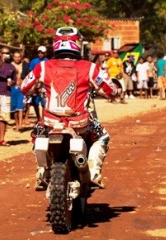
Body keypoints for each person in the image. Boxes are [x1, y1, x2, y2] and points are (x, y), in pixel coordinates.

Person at [21, 27, 120, 190]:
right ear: (77, 43)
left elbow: (25, 87)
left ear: (56, 44)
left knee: (36, 133)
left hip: (50, 122)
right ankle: (94, 172)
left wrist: (38, 87)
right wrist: (116, 91)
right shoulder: (90, 68)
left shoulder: (43, 67)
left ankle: (41, 171)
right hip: (80, 123)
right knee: (102, 136)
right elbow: (110, 90)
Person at [26, 46, 48, 122]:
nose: (40, 54)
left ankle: (43, 119)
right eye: (39, 52)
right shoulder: (34, 61)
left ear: (45, 53)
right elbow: (30, 73)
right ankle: (39, 118)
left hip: (44, 85)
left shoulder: (48, 61)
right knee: (35, 102)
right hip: (35, 85)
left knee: (44, 103)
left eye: (42, 53)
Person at [11, 51, 30, 132]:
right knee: (15, 108)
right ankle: (17, 124)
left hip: (21, 88)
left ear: (21, 57)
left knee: (21, 107)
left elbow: (29, 74)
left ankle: (21, 124)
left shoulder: (24, 65)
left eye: (19, 57)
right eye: (15, 57)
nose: (17, 58)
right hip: (12, 88)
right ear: (13, 57)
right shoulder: (10, 65)